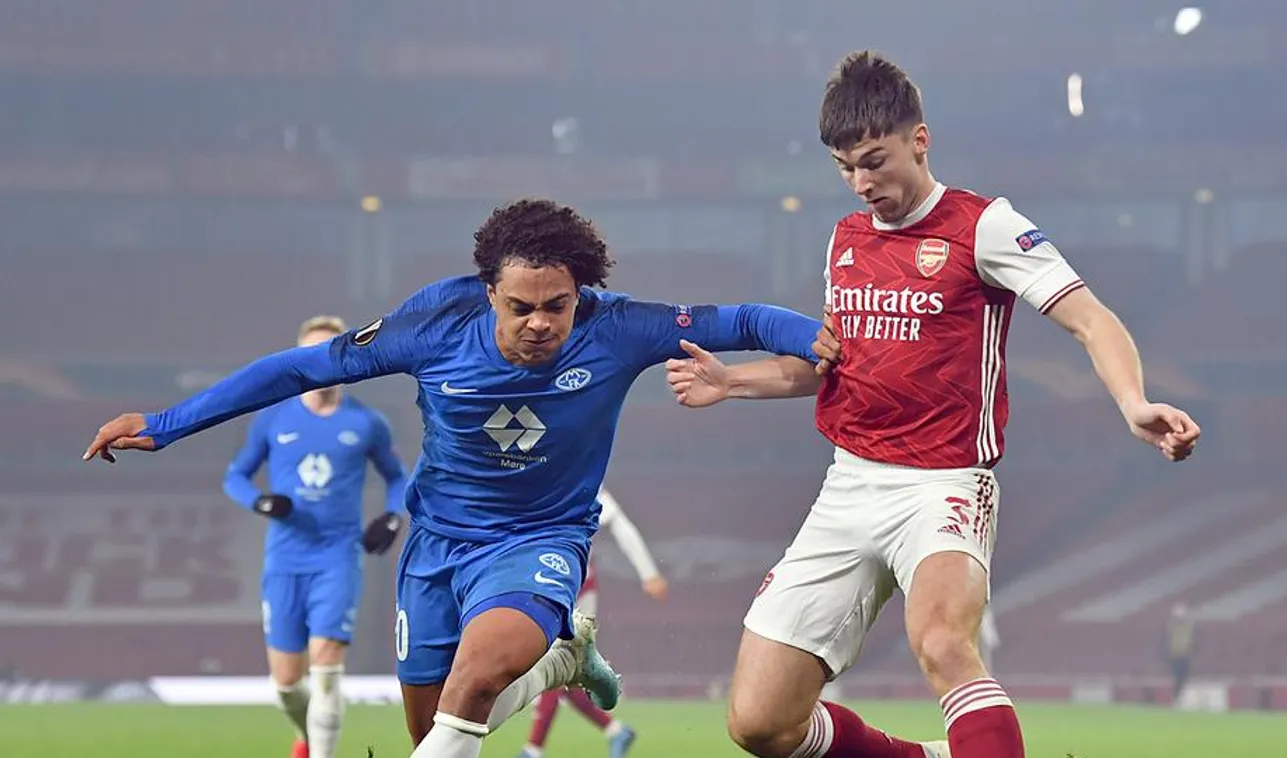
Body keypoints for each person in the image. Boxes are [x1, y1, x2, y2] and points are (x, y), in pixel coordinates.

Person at [83, 198, 823, 758]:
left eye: (557, 306)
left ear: (580, 292)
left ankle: (549, 651)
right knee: (437, 727)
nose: (540, 323)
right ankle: (562, 661)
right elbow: (298, 369)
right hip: (436, 545)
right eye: (520, 307)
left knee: (472, 686)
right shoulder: (432, 326)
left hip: (538, 539)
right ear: (488, 292)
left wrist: (829, 340)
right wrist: (167, 423)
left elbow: (748, 320)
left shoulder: (621, 327)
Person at [664, 51, 1201, 758]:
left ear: (919, 140)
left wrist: (1132, 402)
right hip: (848, 483)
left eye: (874, 161)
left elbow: (1090, 319)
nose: (861, 184)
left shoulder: (985, 226)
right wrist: (732, 382)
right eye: (844, 168)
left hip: (944, 484)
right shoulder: (846, 240)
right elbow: (833, 367)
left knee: (943, 642)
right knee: (760, 722)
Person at [223, 314, 409, 758]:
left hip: (337, 556)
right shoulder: (273, 419)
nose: (321, 363)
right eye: (312, 354)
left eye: (330, 352)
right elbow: (235, 476)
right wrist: (260, 502)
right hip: (285, 560)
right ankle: (308, 737)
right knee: (287, 685)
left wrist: (392, 517)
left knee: (326, 666)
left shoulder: (367, 423)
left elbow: (398, 478)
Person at [520, 485, 668, 758]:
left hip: (573, 585)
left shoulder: (579, 476)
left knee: (558, 661)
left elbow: (618, 523)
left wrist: (648, 573)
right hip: (541, 582)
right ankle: (616, 731)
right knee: (569, 671)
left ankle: (533, 750)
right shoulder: (528, 475)